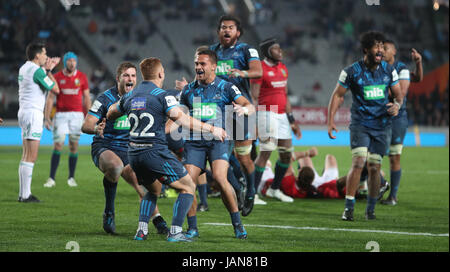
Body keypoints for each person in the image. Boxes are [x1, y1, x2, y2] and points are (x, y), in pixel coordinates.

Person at [106, 57, 228, 242]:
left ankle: (141, 231)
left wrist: (112, 116)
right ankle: (176, 232)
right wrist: (212, 129)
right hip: (155, 152)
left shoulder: (129, 96)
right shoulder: (163, 95)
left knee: (153, 190)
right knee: (188, 187)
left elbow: (111, 112)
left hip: (134, 154)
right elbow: (183, 120)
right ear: (161, 73)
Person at [82, 62, 169, 235]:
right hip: (105, 146)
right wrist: (96, 128)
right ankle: (109, 211)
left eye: (133, 76)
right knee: (115, 167)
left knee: (142, 184)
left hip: (130, 149)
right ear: (118, 79)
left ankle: (157, 218)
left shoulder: (140, 97)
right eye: (126, 75)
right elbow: (86, 124)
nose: (130, 79)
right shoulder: (105, 98)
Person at [327, 31, 404, 221]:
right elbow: (338, 95)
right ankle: (349, 208)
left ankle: (370, 210)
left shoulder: (388, 70)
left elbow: (398, 95)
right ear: (366, 50)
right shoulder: (351, 71)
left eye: (382, 46)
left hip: (382, 125)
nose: (380, 50)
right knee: (359, 162)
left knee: (375, 167)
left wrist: (396, 105)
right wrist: (330, 121)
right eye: (376, 46)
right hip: (360, 124)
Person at [178, 49, 254, 239]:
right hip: (194, 142)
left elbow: (249, 106)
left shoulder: (226, 87)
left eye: (202, 64)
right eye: (196, 63)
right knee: (188, 184)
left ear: (213, 66)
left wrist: (243, 110)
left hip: (218, 141)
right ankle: (193, 229)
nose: (198, 67)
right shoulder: (187, 90)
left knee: (220, 178)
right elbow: (178, 116)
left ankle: (237, 225)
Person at [210, 14, 263, 215]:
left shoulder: (246, 49)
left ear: (238, 32)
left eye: (230, 27)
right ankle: (238, 188)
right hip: (217, 111)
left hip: (240, 108)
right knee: (219, 156)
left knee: (243, 158)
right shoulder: (212, 51)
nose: (226, 30)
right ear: (218, 31)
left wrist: (242, 73)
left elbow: (258, 72)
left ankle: (250, 192)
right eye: (223, 27)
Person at [250, 37, 302, 204]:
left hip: (282, 116)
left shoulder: (283, 68)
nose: (280, 51)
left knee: (286, 155)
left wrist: (292, 120)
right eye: (276, 49)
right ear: (267, 52)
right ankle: (253, 193)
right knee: (266, 152)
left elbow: (285, 95)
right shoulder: (260, 69)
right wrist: (255, 120)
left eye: (280, 48)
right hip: (267, 113)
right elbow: (254, 96)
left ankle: (274, 189)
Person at [381, 40, 423, 206]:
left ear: (394, 51)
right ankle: (377, 185)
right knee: (370, 155)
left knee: (394, 157)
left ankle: (393, 196)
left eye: (386, 48)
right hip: (379, 117)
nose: (382, 51)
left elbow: (405, 90)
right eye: (380, 48)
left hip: (397, 118)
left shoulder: (401, 69)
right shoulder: (378, 68)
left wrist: (418, 62)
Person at [17, 42, 60, 202]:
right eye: (44, 53)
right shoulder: (37, 71)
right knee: (31, 156)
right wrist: (50, 71)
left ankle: (23, 194)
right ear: (37, 56)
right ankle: (26, 195)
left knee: (25, 155)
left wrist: (46, 70)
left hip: (24, 112)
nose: (46, 56)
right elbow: (56, 89)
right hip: (33, 114)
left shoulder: (24, 67)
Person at [43, 52, 91, 188]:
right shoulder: (57, 77)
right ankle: (51, 178)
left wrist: (90, 116)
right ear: (65, 62)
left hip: (77, 116)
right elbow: (50, 99)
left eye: (74, 61)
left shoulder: (82, 77)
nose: (72, 63)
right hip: (61, 116)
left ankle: (71, 177)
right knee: (58, 145)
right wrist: (47, 118)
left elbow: (86, 98)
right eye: (69, 61)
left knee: (74, 147)